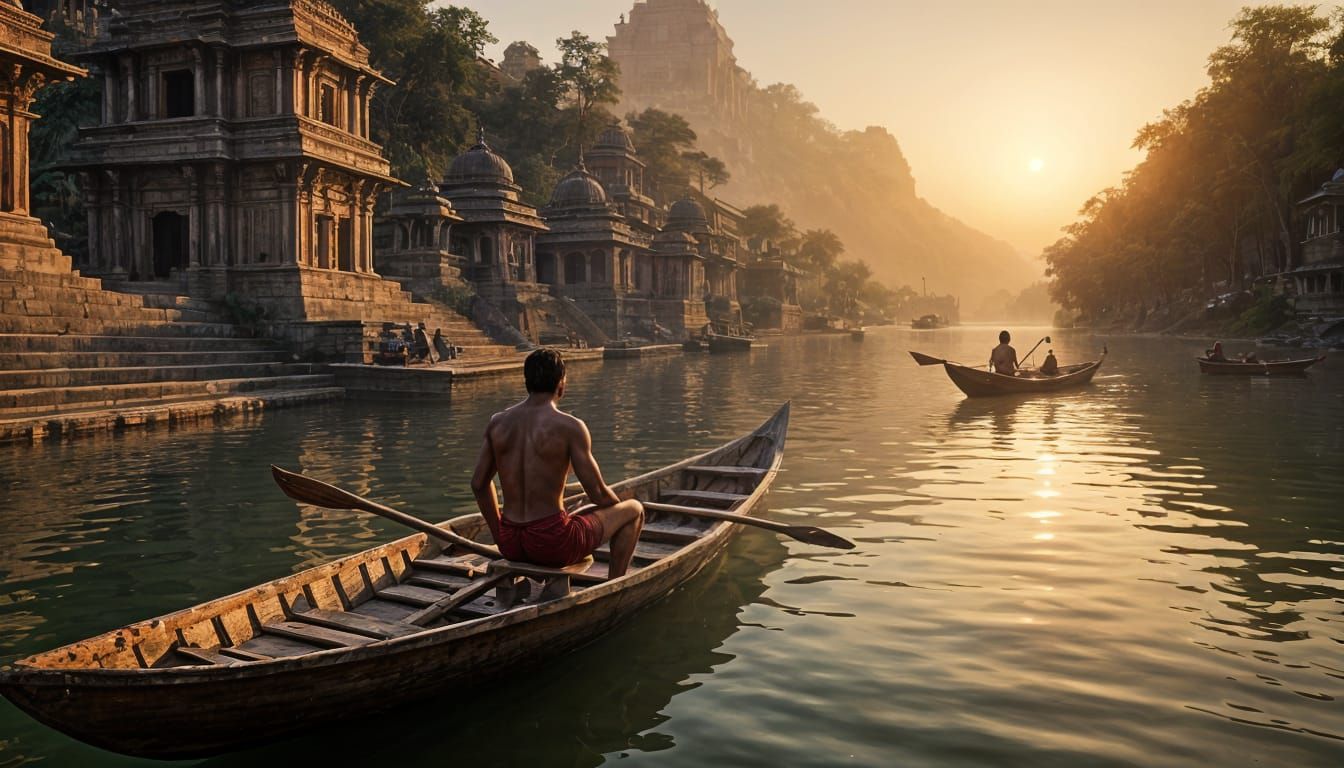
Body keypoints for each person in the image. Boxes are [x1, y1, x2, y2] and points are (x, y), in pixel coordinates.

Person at [470, 349, 645, 576]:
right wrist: (615, 511)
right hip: (552, 545)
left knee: (580, 513)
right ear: (561, 384)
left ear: (527, 382)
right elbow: (598, 494)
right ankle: (615, 585)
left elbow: (479, 484)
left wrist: (499, 533)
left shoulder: (497, 423)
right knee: (634, 509)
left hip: (511, 543)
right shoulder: (570, 427)